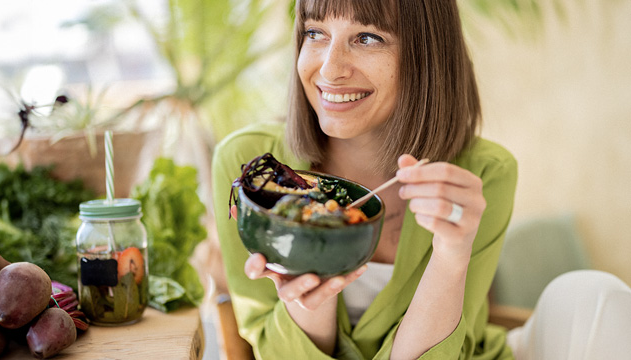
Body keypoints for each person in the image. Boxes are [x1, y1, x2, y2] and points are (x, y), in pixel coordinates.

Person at [211, 0, 631, 359]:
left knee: (593, 294)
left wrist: (451, 254)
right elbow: (267, 346)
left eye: (368, 37)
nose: (330, 68)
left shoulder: (483, 173)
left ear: (426, 54)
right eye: (315, 32)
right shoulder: (248, 167)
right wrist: (308, 296)